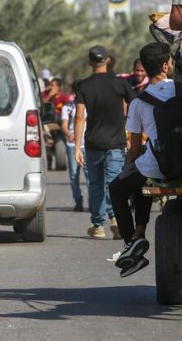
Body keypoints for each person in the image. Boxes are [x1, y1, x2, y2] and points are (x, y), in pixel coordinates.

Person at [108, 43, 176, 277]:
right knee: (141, 176)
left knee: (117, 188)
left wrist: (127, 167)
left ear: (145, 69)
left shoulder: (138, 101)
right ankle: (137, 234)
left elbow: (134, 148)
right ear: (166, 65)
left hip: (159, 165)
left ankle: (133, 242)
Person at [75, 45, 136, 239]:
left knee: (95, 185)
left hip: (93, 143)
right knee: (114, 184)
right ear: (108, 60)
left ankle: (98, 226)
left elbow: (79, 117)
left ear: (90, 62)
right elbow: (135, 105)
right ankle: (116, 221)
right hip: (116, 143)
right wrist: (131, 131)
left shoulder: (84, 85)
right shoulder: (120, 84)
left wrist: (77, 147)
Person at [60, 84, 87, 212]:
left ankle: (93, 203)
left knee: (90, 176)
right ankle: (78, 201)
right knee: (74, 175)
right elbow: (64, 126)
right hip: (72, 146)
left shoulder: (90, 105)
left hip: (88, 145)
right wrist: (70, 135)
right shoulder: (67, 107)